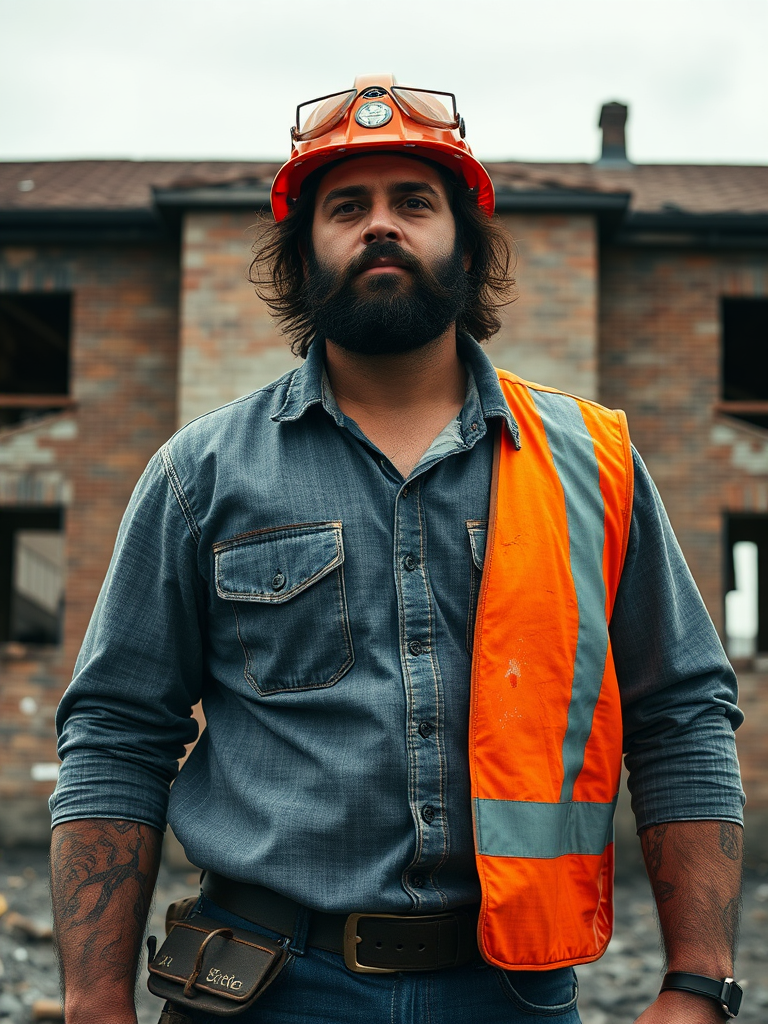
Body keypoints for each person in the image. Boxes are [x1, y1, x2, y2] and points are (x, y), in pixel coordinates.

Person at [49, 75, 745, 1024]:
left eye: (414, 201)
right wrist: (94, 1003)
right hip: (260, 988)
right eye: (347, 207)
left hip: (514, 993)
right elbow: (117, 734)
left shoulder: (595, 468)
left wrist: (698, 983)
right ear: (304, 255)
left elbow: (681, 716)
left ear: (466, 243)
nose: (383, 226)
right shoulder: (199, 475)